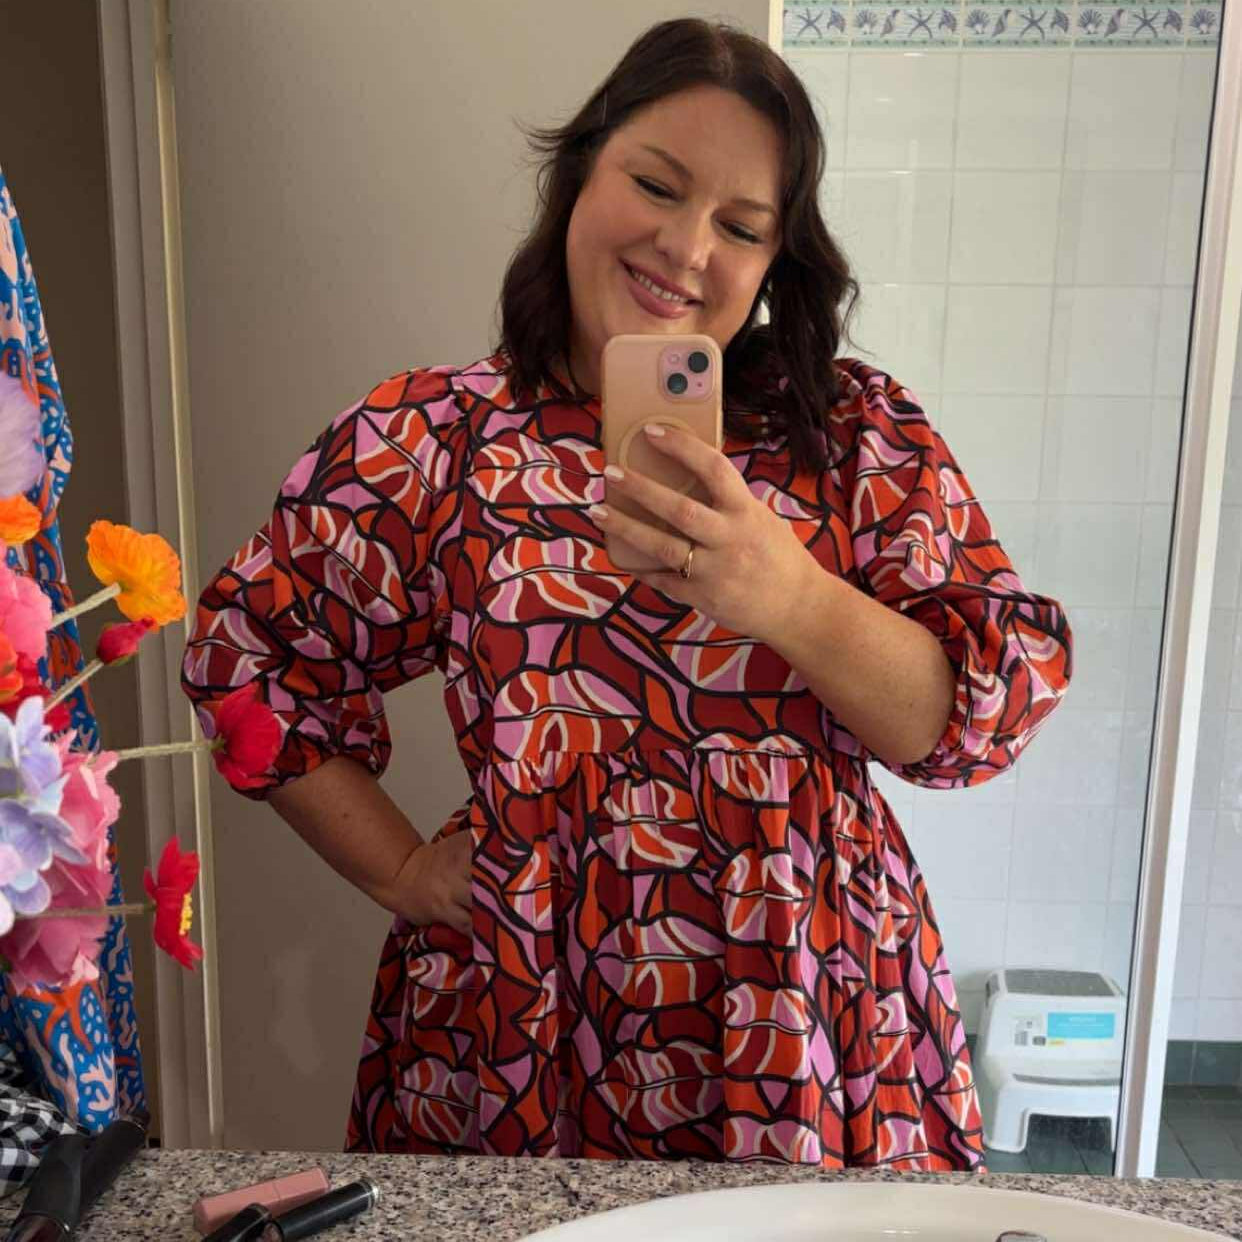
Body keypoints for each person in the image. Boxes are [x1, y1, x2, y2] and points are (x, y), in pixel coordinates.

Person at [181, 17, 1072, 1170]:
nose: (686, 247)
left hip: (807, 1004)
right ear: (579, 175)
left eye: (741, 227)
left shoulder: (852, 435)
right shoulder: (435, 437)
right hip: (522, 1003)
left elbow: (975, 725)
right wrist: (399, 871)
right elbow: (243, 658)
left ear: (771, 266)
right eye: (656, 183)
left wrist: (790, 596)